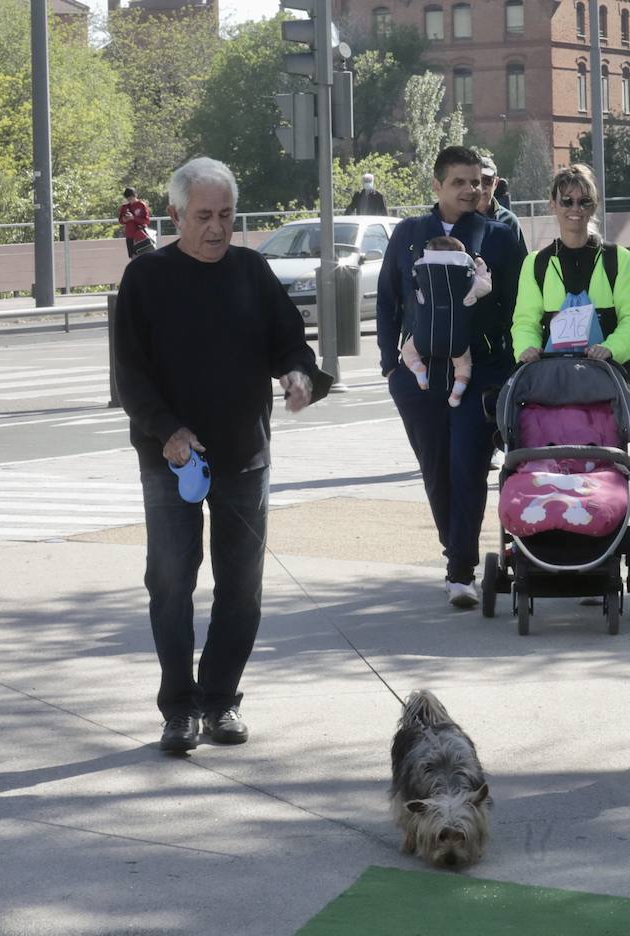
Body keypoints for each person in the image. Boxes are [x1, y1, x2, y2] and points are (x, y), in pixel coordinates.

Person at [112, 157, 330, 753]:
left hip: (242, 454)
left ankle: (221, 699)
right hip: (172, 458)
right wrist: (168, 431)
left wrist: (299, 376)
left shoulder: (251, 271)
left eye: (227, 216)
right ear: (176, 214)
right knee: (169, 582)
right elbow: (128, 377)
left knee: (242, 588)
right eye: (203, 216)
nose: (216, 228)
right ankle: (178, 709)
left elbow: (291, 344)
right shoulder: (146, 279)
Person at [377, 146, 524, 607]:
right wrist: (388, 364)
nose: (472, 189)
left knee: (468, 467)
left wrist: (512, 369)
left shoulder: (499, 237)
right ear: (437, 186)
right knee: (436, 471)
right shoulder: (407, 234)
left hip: (480, 372)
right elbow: (387, 300)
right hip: (418, 376)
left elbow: (521, 306)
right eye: (460, 181)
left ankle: (461, 570)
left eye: (479, 181)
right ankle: (454, 551)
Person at [512, 164, 630, 381]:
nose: (575, 208)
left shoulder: (619, 259)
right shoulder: (536, 263)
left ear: (594, 206)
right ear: (552, 205)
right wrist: (526, 349)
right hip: (555, 382)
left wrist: (610, 349)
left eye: (584, 201)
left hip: (611, 379)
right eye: (566, 201)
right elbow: (525, 322)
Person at [401, 235, 494, 407]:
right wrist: (480, 265)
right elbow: (487, 286)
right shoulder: (469, 283)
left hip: (424, 336)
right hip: (457, 338)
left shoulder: (423, 278)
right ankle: (457, 394)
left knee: (407, 351)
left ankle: (419, 371)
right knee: (464, 365)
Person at [479, 155, 528, 253]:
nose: (482, 186)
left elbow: (520, 264)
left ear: (496, 183)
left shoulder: (509, 221)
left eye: (487, 180)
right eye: (476, 181)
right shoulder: (457, 216)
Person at [119, 187, 152, 258]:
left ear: (135, 195)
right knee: (133, 258)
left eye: (131, 198)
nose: (130, 201)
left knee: (144, 257)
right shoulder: (124, 207)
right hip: (130, 236)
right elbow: (121, 221)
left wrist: (133, 218)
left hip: (141, 235)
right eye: (128, 199)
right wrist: (125, 219)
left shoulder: (141, 205)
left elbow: (147, 221)